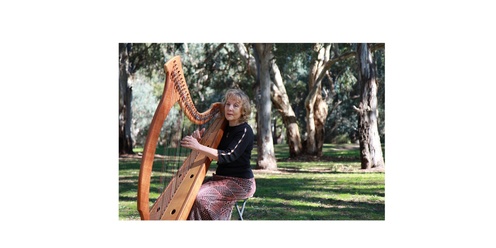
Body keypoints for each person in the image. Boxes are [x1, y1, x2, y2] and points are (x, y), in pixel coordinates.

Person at [180, 88, 256, 220]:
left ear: (243, 110)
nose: (230, 108)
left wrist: (198, 147)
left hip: (240, 183)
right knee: (188, 192)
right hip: (220, 179)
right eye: (228, 104)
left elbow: (228, 156)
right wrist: (199, 140)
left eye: (235, 105)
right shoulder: (222, 127)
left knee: (201, 197)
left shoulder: (245, 131)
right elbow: (211, 148)